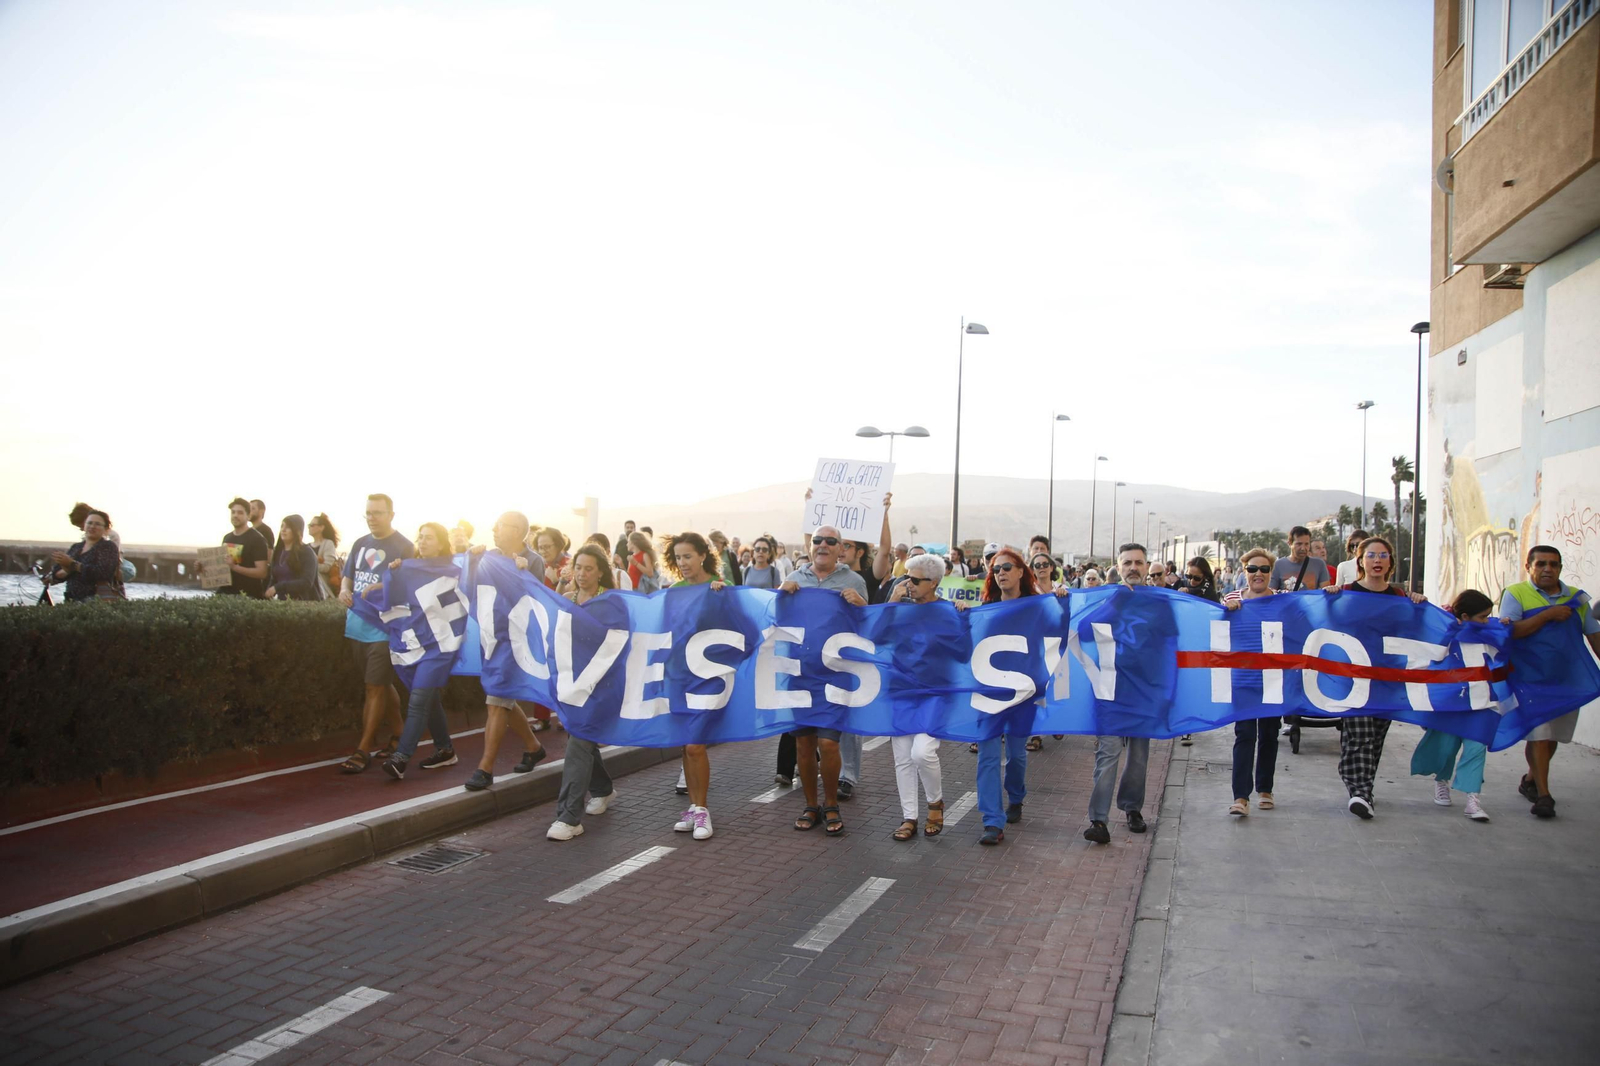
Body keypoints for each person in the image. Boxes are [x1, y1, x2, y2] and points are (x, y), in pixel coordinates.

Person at [1323, 535, 1427, 818]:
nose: (1377, 560)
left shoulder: (1400, 597)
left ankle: (1362, 785)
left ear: (1391, 562)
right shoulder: (1345, 592)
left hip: (1387, 677)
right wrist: (1329, 601)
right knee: (1359, 732)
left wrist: (1418, 604)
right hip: (1354, 676)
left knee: (1376, 736)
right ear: (1360, 561)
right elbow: (1325, 623)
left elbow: (1415, 630)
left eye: (1383, 555)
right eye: (1371, 555)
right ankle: (1360, 791)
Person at [1499, 545, 1600, 819]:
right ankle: (1544, 796)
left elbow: (1594, 636)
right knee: (1540, 736)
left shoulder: (1578, 600)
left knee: (1553, 737)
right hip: (1529, 679)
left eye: (1553, 564)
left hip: (1567, 681)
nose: (1547, 569)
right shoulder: (1516, 593)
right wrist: (1547, 615)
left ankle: (1531, 778)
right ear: (1528, 567)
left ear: (1560, 568)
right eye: (1541, 563)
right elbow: (1510, 632)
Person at [781, 525, 867, 836]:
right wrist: (781, 596)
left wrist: (860, 604)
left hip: (835, 674)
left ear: (840, 548)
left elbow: (867, 627)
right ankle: (810, 805)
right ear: (811, 545)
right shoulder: (794, 577)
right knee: (804, 745)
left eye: (831, 541)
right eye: (818, 540)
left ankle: (831, 803)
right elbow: (773, 619)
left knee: (829, 744)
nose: (823, 545)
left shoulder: (853, 580)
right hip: (800, 673)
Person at [462, 512, 550, 790]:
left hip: (517, 642)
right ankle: (534, 747)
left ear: (517, 531)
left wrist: (522, 570)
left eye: (499, 526)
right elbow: (468, 588)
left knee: (496, 701)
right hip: (493, 640)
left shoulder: (533, 561)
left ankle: (485, 768)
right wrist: (471, 561)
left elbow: (535, 599)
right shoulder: (487, 556)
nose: (494, 531)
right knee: (503, 699)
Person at [547, 545, 621, 839]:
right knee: (582, 740)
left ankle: (568, 817)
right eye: (577, 567)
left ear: (600, 571)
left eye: (588, 568)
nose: (581, 573)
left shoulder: (611, 602)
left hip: (602, 685)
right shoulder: (567, 599)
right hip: (573, 684)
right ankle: (603, 789)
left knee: (578, 743)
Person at [336, 493, 413, 774]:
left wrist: (382, 589)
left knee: (374, 687)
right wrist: (344, 590)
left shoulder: (404, 546)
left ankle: (363, 749)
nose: (372, 518)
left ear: (391, 514)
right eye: (368, 513)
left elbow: (408, 588)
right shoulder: (360, 543)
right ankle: (399, 733)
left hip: (383, 628)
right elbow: (348, 575)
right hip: (355, 624)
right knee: (378, 684)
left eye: (378, 513)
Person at [969, 547, 1040, 845]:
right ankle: (992, 821)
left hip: (1023, 691)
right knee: (986, 756)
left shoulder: (1038, 606)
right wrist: (963, 614)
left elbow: (1060, 632)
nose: (1001, 573)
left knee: (1016, 755)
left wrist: (1061, 599)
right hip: (988, 692)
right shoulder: (986, 608)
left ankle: (1017, 796)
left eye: (1008, 567)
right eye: (996, 569)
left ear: (1021, 571)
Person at [378, 523, 460, 779]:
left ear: (441, 543)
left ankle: (400, 758)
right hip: (418, 642)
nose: (422, 542)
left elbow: (476, 580)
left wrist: (477, 554)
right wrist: (392, 574)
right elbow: (392, 597)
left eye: (429, 538)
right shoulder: (409, 568)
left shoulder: (457, 568)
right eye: (420, 537)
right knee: (428, 697)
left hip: (443, 643)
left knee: (418, 699)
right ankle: (445, 749)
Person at [1086, 543, 1155, 844]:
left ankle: (1132, 808)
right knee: (1109, 752)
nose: (1133, 568)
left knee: (1138, 756)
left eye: (1138, 562)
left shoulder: (1159, 602)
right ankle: (1098, 820)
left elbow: (1171, 640)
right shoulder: (1106, 599)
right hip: (1109, 689)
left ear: (1147, 565)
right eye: (1127, 563)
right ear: (1118, 566)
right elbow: (1085, 630)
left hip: (1143, 691)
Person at [660, 532, 727, 839]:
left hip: (707, 677)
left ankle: (702, 811)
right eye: (677, 558)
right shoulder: (674, 591)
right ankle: (694, 808)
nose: (683, 563)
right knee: (686, 745)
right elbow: (665, 631)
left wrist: (720, 601)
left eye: (688, 556)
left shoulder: (720, 588)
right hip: (679, 675)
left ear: (703, 555)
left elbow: (737, 629)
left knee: (695, 744)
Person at [1410, 589, 1497, 822]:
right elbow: (1432, 656)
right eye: (1483, 617)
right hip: (1450, 704)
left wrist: (1504, 626)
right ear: (1466, 617)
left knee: (1476, 748)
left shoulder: (1489, 633)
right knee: (1446, 748)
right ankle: (1441, 780)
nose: (1487, 621)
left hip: (1481, 702)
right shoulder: (1445, 633)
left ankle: (1473, 799)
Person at [883, 552, 948, 839]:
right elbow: (876, 635)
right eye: (906, 577)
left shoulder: (947, 611)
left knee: (922, 752)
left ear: (933, 583)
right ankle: (909, 817)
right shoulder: (901, 608)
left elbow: (963, 649)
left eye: (915, 579)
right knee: (902, 758)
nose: (908, 583)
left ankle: (935, 802)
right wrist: (893, 600)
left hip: (934, 693)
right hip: (901, 690)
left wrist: (962, 614)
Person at [1223, 548, 1281, 815]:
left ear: (1271, 573)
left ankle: (1265, 789)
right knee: (1245, 734)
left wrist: (1332, 593)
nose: (1259, 574)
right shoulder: (1232, 598)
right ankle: (1240, 797)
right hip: (1243, 678)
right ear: (1244, 572)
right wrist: (1227, 612)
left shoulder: (1284, 600)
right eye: (1253, 569)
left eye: (1265, 569)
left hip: (1273, 679)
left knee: (1269, 734)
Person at [49, 509, 124, 602]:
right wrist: (66, 568)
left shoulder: (108, 546)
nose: (92, 526)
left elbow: (103, 573)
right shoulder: (76, 547)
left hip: (97, 601)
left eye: (97, 524)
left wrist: (72, 565)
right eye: (89, 523)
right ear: (84, 526)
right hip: (72, 599)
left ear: (106, 529)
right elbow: (57, 574)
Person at [210, 497, 270, 598]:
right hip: (225, 594)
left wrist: (234, 567)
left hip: (247, 596)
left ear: (248, 515)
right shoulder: (227, 538)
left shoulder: (257, 539)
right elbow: (221, 569)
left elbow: (262, 572)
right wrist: (203, 569)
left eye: (240, 513)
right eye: (233, 512)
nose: (235, 515)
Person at [67, 502, 134, 584]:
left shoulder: (110, 537)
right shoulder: (83, 541)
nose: (81, 529)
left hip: (107, 571)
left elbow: (110, 561)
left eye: (81, 526)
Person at [265, 515, 322, 601]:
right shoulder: (278, 551)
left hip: (301, 603)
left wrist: (278, 587)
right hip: (280, 602)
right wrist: (268, 591)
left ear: (297, 531)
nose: (283, 530)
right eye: (282, 526)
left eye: (288, 527)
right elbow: (274, 578)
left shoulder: (306, 552)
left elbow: (306, 582)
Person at [1272, 525, 1330, 591]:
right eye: (1299, 544)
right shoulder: (1278, 565)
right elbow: (1272, 593)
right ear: (1290, 544)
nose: (1303, 548)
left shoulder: (1319, 564)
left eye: (1306, 544)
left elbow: (1325, 592)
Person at [307, 513, 341, 599]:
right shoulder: (307, 546)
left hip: (323, 588)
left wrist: (308, 567)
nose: (309, 527)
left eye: (312, 525)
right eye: (309, 525)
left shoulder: (328, 544)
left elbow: (327, 567)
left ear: (321, 527)